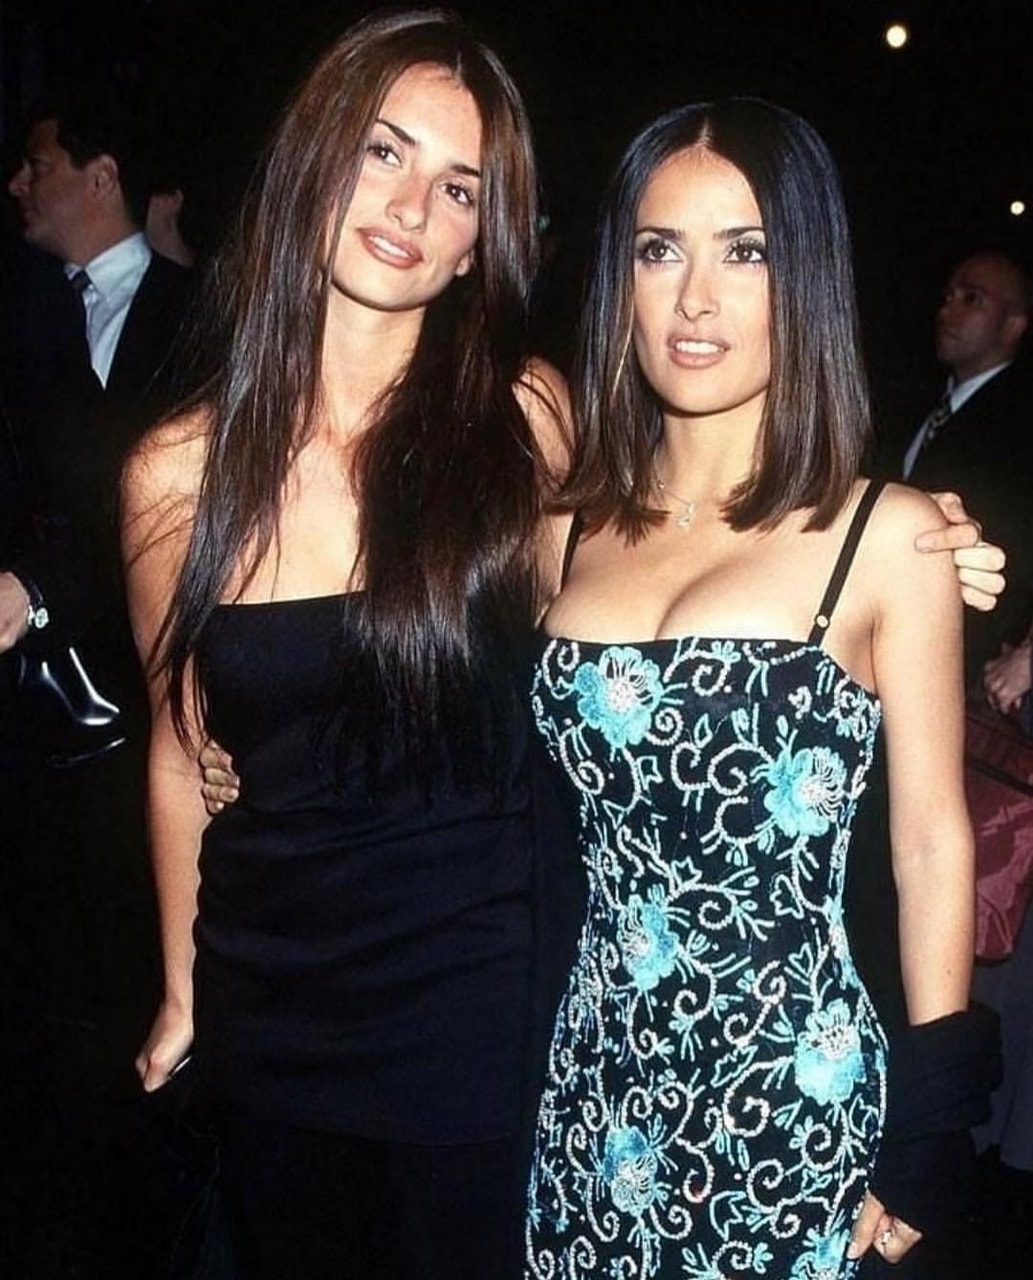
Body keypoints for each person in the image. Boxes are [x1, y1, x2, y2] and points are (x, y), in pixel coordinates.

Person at [121, 11, 571, 1278]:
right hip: (269, 1009)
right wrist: (183, 991)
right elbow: (178, 750)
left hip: (475, 1008)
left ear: (483, 240)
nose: (411, 207)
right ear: (314, 157)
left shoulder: (525, 421)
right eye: (383, 151)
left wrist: (884, 534)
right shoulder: (173, 472)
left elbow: (656, 588)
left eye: (459, 187)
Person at [522, 99, 997, 1280]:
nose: (695, 299)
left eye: (746, 252)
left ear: (807, 279)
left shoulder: (885, 535)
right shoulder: (563, 525)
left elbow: (932, 844)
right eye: (659, 249)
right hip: (588, 1077)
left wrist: (926, 1125)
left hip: (794, 1094)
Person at [894, 250, 1033, 685]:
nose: (947, 309)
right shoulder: (914, 401)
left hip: (972, 670)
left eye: (972, 298)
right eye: (948, 296)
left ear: (1012, 325)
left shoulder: (1020, 425)